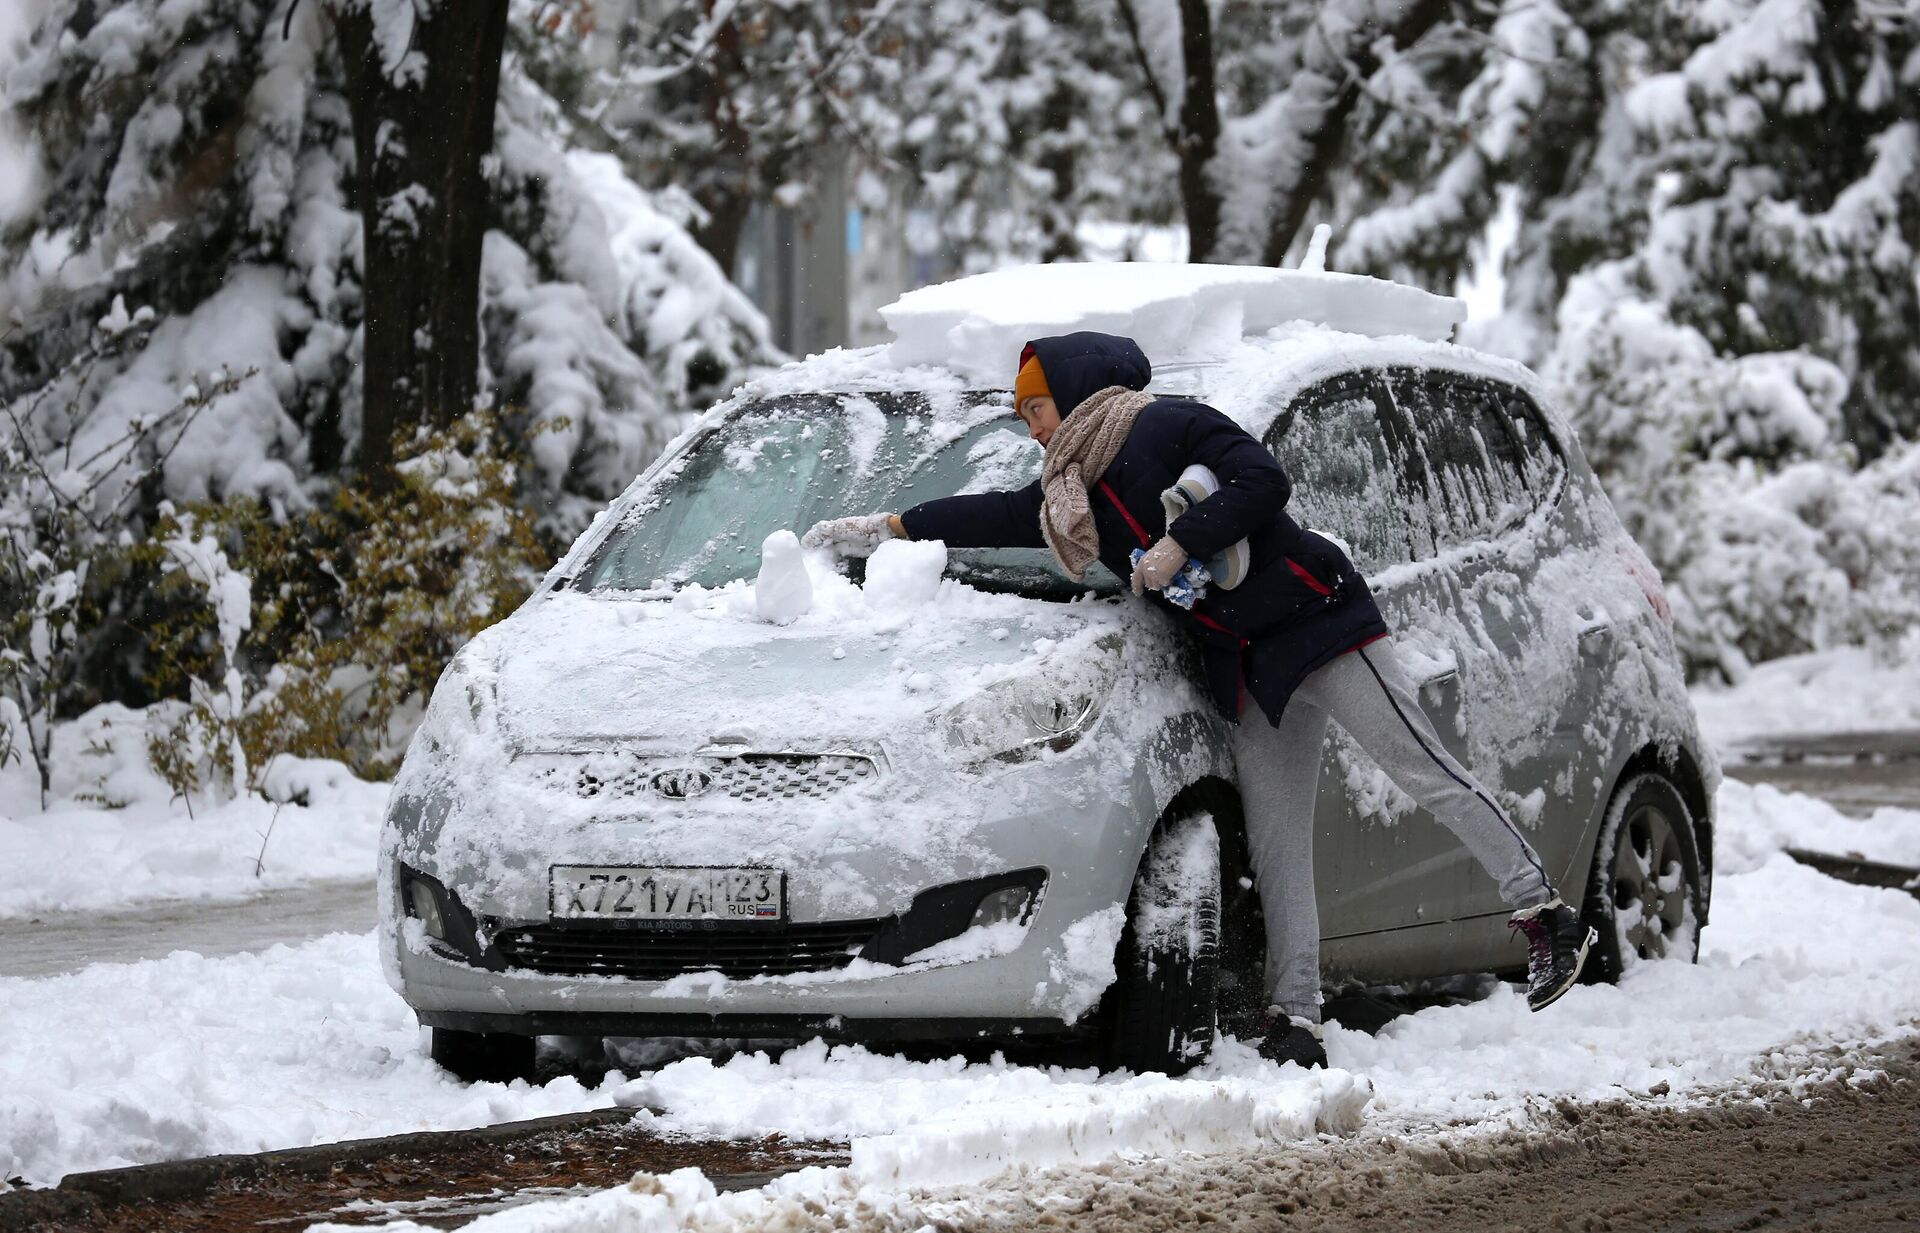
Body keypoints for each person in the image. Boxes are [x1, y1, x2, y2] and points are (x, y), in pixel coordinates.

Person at [803, 332, 1592, 1068]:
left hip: (1320, 623)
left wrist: (1183, 540)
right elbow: (998, 515)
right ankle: (1295, 1017)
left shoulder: (1165, 425)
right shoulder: (1068, 493)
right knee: (1279, 841)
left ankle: (1545, 912)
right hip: (1247, 665)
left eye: (1035, 408)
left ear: (1072, 392)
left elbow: (1263, 479)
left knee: (1421, 768)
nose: (1031, 426)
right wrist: (895, 525)